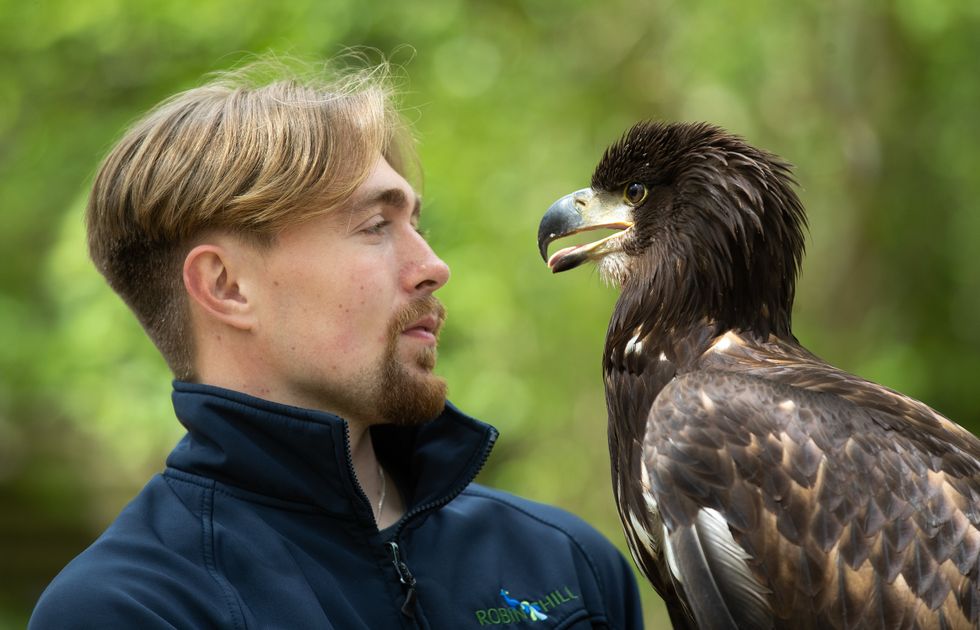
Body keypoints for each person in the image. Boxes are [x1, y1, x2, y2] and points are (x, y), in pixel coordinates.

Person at [28, 57, 643, 629]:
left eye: (416, 225)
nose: (433, 266)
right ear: (227, 286)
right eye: (376, 226)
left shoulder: (566, 562)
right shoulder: (130, 608)